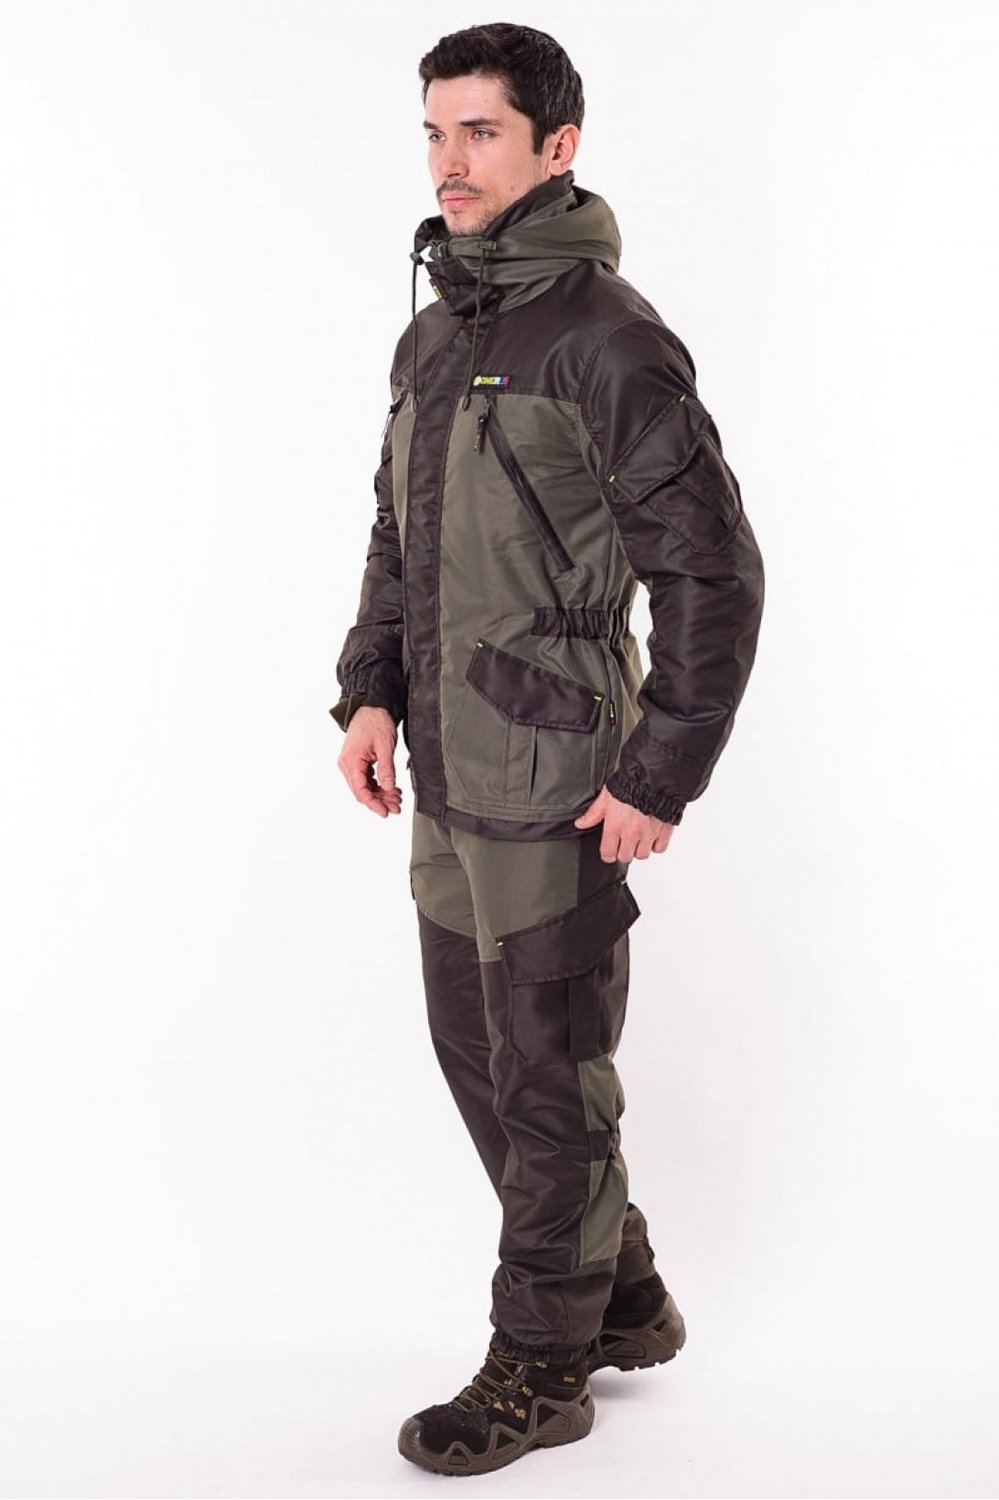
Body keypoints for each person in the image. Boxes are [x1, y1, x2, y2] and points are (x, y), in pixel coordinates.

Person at [329, 22, 765, 1478]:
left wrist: (657, 772)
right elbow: (399, 535)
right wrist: (371, 690)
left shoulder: (606, 339)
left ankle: (543, 1364)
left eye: (482, 134)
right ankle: (621, 1293)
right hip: (446, 770)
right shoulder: (435, 334)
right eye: (435, 133)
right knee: (478, 1047)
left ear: (557, 147)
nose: (449, 163)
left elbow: (712, 571)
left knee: (547, 1069)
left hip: (561, 772)